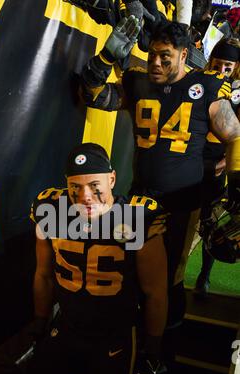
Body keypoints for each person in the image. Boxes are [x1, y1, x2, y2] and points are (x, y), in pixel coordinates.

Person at [79, 18, 240, 354]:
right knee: (134, 275)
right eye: (152, 54)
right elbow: (94, 96)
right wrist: (105, 59)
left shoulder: (206, 88)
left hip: (183, 201)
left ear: (184, 56)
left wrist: (235, 180)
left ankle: (163, 352)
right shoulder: (138, 83)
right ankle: (134, 344)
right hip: (142, 199)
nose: (155, 62)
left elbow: (235, 135)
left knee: (170, 279)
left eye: (165, 57)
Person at [28, 142, 168, 374]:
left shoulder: (136, 217)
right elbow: (42, 274)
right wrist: (40, 320)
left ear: (112, 180)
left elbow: (155, 291)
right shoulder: (49, 210)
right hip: (65, 328)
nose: (85, 196)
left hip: (114, 338)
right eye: (75, 186)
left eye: (95, 185)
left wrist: (154, 343)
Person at [195, 38, 240, 297]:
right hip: (190, 160)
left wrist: (222, 164)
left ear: (235, 67)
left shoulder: (237, 91)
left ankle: (205, 274)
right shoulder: (200, 82)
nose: (221, 69)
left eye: (228, 65)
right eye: (218, 63)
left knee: (208, 222)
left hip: (216, 163)